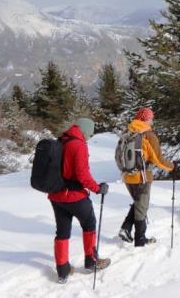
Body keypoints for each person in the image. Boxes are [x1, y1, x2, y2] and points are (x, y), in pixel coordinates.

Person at [48, 117, 110, 284]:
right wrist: (97, 188)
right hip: (73, 195)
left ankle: (63, 270)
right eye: (90, 133)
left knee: (62, 231)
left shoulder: (62, 140)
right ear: (85, 131)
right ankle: (91, 262)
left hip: (56, 195)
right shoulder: (78, 145)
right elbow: (82, 175)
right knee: (89, 224)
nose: (90, 136)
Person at [118, 107, 174, 246]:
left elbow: (118, 155)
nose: (152, 121)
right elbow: (158, 159)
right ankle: (140, 240)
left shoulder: (128, 131)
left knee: (138, 204)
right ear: (146, 119)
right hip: (142, 177)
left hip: (127, 176)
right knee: (142, 207)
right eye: (151, 118)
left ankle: (126, 228)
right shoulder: (148, 135)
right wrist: (171, 166)